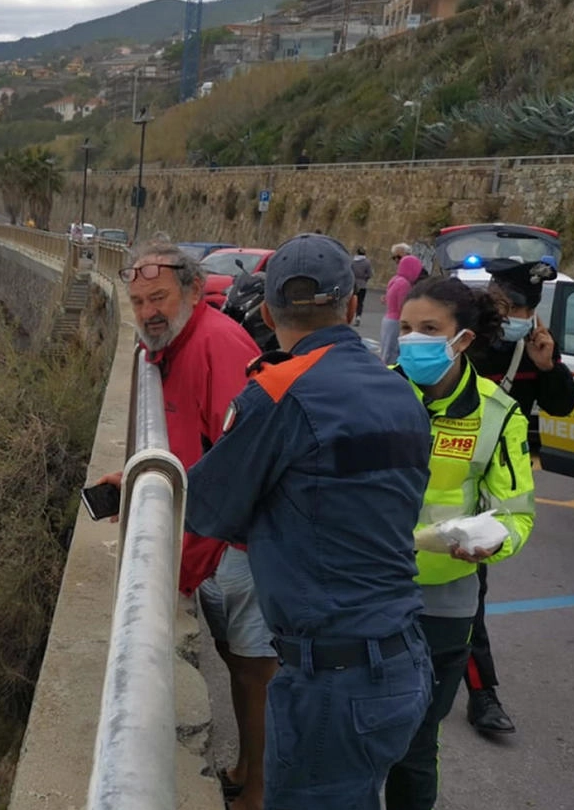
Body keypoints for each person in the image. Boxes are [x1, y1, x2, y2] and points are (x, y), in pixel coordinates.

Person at [184, 233, 435, 810]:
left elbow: (208, 510)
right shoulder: (402, 393)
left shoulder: (276, 391)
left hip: (333, 679)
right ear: (352, 307)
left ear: (267, 313)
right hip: (404, 661)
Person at [94, 235, 274, 809]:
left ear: (194, 292)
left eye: (161, 298)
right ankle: (248, 769)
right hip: (207, 543)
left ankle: (256, 790)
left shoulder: (216, 345)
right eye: (140, 301)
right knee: (237, 663)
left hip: (233, 547)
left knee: (254, 673)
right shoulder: (167, 350)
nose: (149, 312)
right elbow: (194, 444)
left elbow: (243, 454)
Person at [387, 277, 536, 810]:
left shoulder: (498, 415)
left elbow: (516, 515)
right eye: (405, 328)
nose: (412, 341)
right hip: (367, 590)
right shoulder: (375, 392)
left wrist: (491, 544)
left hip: (444, 603)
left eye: (429, 330)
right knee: (351, 736)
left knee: (415, 744)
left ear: (463, 339)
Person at [462, 258, 574, 737]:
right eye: (506, 306)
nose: (514, 316)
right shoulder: (463, 339)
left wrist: (548, 366)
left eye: (522, 308)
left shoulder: (534, 348)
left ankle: (482, 694)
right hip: (442, 469)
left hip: (491, 484)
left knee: (469, 587)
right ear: (489, 300)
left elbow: (562, 404)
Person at [381, 253, 423, 364]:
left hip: (388, 318)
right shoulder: (404, 284)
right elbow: (402, 305)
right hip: (396, 321)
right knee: (393, 352)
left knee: (386, 350)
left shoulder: (395, 279)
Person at [352, 246, 373, 325]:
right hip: (362, 285)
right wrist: (365, 278)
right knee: (360, 302)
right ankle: (358, 317)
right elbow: (370, 274)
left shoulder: (352, 261)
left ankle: (348, 316)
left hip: (353, 284)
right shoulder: (367, 262)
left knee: (350, 301)